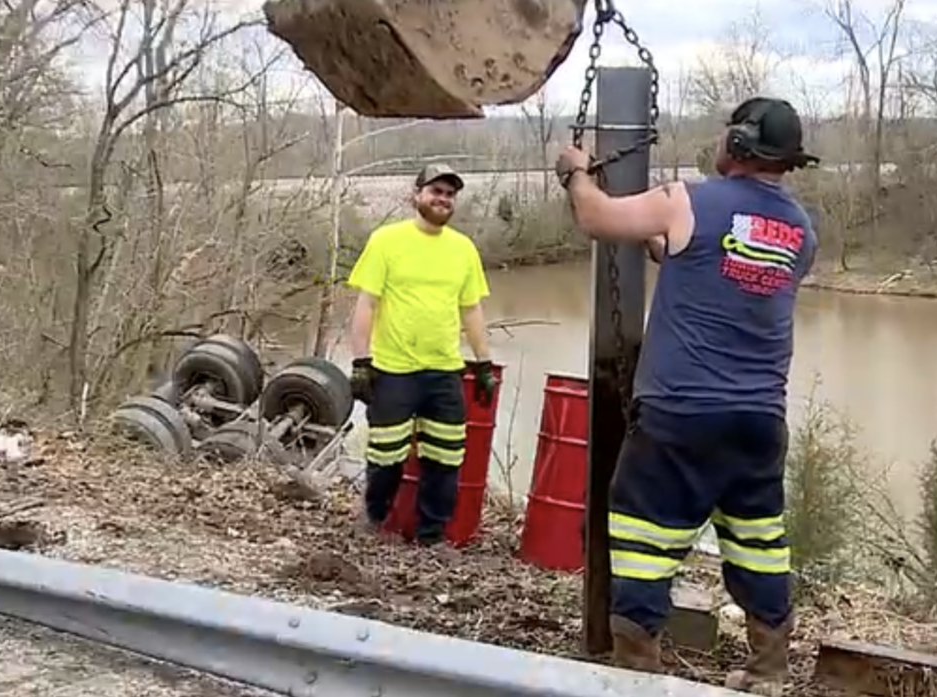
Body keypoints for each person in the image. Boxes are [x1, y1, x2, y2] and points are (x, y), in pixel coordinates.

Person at [555, 97, 819, 694]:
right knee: (758, 541)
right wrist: (665, 246)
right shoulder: (802, 230)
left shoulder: (687, 200)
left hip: (681, 412)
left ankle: (637, 672)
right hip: (759, 421)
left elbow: (597, 217)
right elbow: (730, 269)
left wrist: (575, 172)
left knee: (643, 535)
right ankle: (769, 669)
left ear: (739, 143)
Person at [345, 163, 498, 547]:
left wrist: (484, 363)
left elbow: (471, 310)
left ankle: (432, 536)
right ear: (417, 195)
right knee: (386, 455)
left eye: (449, 194)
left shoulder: (463, 249)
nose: (443, 199)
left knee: (446, 458)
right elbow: (366, 304)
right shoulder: (386, 241)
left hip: (444, 371)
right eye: (435, 191)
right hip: (393, 370)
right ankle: (375, 522)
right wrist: (361, 362)